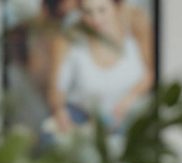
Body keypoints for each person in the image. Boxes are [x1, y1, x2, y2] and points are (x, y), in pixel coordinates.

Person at [47, 0, 154, 134]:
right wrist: (60, 111)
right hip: (84, 120)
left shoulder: (136, 27)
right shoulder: (71, 41)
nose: (96, 19)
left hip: (131, 119)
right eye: (88, 12)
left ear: (116, 7)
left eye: (102, 10)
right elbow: (57, 88)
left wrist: (127, 102)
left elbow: (150, 74)